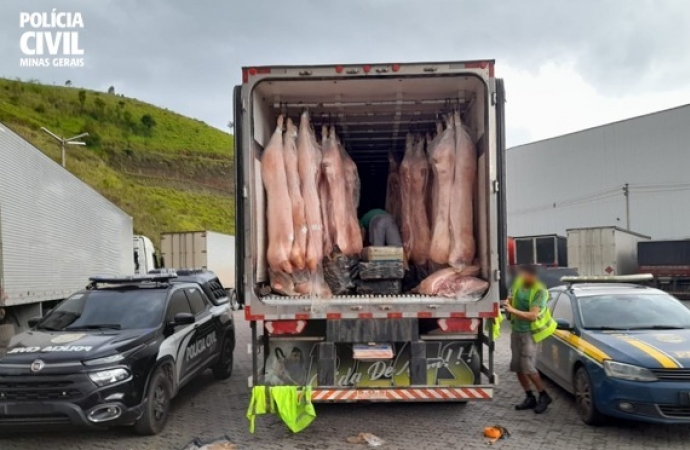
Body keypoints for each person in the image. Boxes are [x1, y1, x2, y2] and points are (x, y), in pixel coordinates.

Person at [502, 265, 557, 414]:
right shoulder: (519, 284)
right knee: (517, 367)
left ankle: (544, 395)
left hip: (530, 333)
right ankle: (529, 396)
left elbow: (533, 315)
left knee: (528, 366)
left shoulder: (540, 290)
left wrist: (512, 310)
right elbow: (511, 299)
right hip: (516, 330)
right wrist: (507, 302)